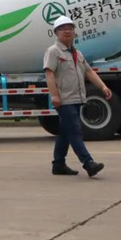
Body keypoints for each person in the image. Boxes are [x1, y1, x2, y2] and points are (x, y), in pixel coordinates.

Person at [43, 16, 109, 177]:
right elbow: (49, 74)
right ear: (56, 32)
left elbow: (89, 71)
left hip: (77, 98)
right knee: (75, 130)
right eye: (63, 29)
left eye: (70, 28)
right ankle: (88, 163)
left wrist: (102, 86)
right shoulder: (53, 51)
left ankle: (58, 164)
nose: (67, 31)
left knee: (65, 132)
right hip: (64, 99)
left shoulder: (77, 53)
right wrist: (54, 96)